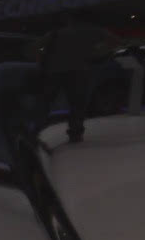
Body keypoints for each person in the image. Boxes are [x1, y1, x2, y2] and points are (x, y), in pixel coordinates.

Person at [37, 11, 115, 143]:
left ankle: (35, 130)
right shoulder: (93, 31)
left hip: (55, 71)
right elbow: (114, 41)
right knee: (77, 103)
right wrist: (97, 53)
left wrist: (42, 62)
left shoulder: (57, 33)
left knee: (46, 101)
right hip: (79, 70)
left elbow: (35, 47)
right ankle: (75, 133)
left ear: (70, 19)